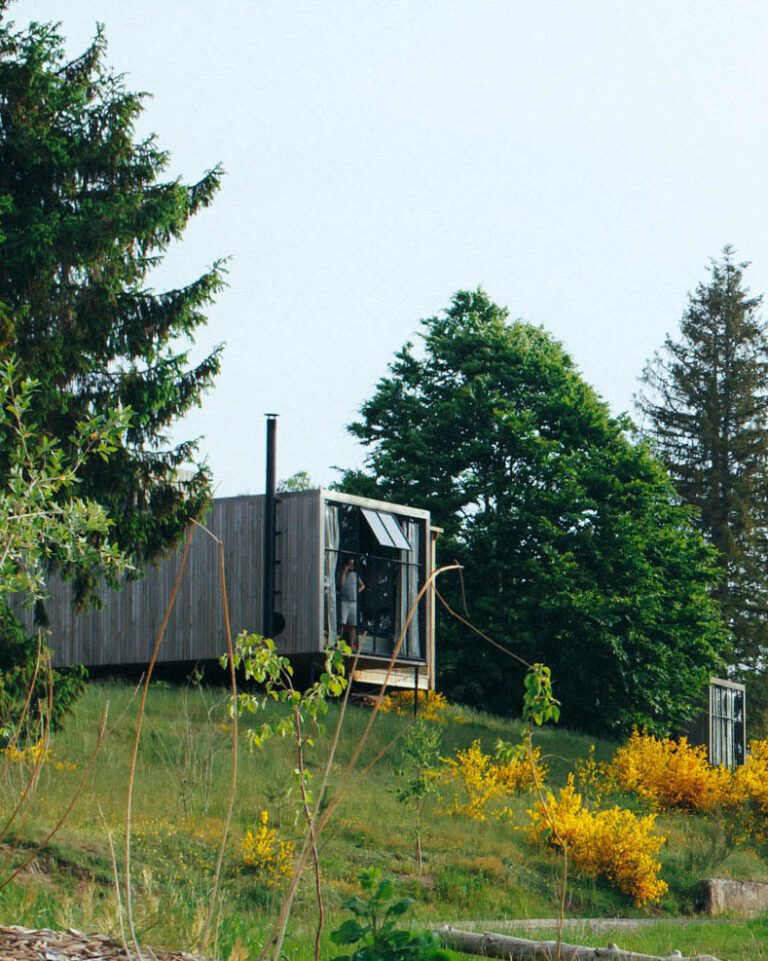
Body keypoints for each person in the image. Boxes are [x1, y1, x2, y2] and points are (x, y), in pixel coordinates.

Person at [340, 557, 364, 650]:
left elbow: (362, 585)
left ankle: (352, 643)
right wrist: (344, 572)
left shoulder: (355, 575)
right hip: (345, 601)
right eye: (350, 564)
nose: (351, 566)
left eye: (352, 564)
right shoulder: (343, 574)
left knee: (352, 624)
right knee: (342, 622)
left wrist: (357, 591)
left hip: (353, 601)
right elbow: (341, 584)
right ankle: (340, 642)